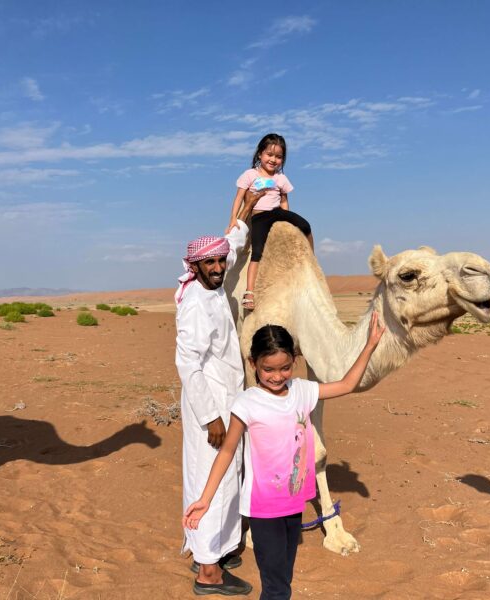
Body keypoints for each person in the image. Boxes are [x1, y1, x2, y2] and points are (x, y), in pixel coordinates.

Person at [183, 312, 385, 600]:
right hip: (263, 511)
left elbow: (347, 385)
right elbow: (227, 450)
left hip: (293, 504)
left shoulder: (302, 391)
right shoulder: (247, 402)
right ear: (253, 364)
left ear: (294, 361)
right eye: (268, 370)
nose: (277, 377)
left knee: (283, 580)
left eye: (285, 368)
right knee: (276, 587)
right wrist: (205, 499)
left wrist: (369, 346)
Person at [175, 192, 263, 597]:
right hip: (210, 409)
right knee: (213, 480)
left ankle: (219, 550)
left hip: (227, 402)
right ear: (193, 266)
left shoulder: (212, 288)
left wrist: (246, 212)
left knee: (227, 478)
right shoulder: (195, 302)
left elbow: (235, 240)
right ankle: (208, 573)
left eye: (220, 260)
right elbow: (188, 365)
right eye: (208, 262)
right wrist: (211, 416)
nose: (217, 267)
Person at [226, 133, 313, 310]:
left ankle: (311, 261)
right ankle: (249, 292)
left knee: (305, 225)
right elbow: (238, 198)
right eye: (269, 154)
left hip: (278, 212)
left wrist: (286, 220)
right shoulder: (250, 175)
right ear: (260, 154)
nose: (273, 159)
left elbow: (284, 200)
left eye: (278, 156)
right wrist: (232, 220)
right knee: (257, 251)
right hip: (259, 216)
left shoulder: (281, 178)